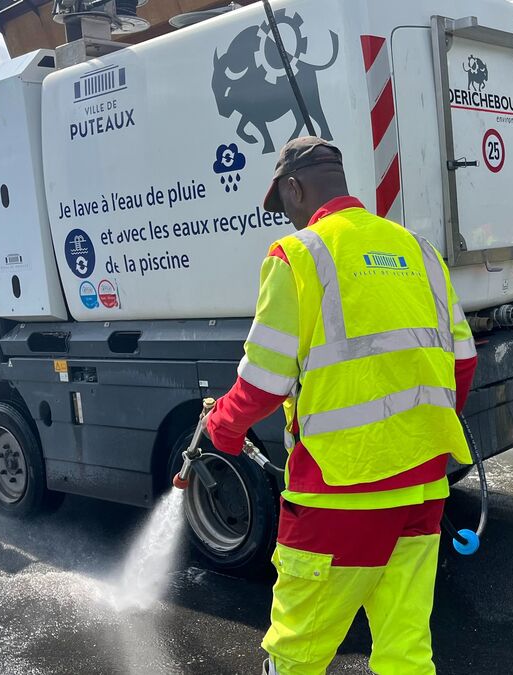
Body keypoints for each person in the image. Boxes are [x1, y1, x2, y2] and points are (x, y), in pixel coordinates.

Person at [204, 137, 478, 674]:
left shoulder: (298, 256)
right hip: (422, 490)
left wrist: (224, 426)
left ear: (294, 187)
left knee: (297, 655)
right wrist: (412, 433)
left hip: (337, 500)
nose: (288, 220)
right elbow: (462, 365)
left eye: (285, 208)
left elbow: (262, 382)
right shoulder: (418, 251)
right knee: (406, 653)